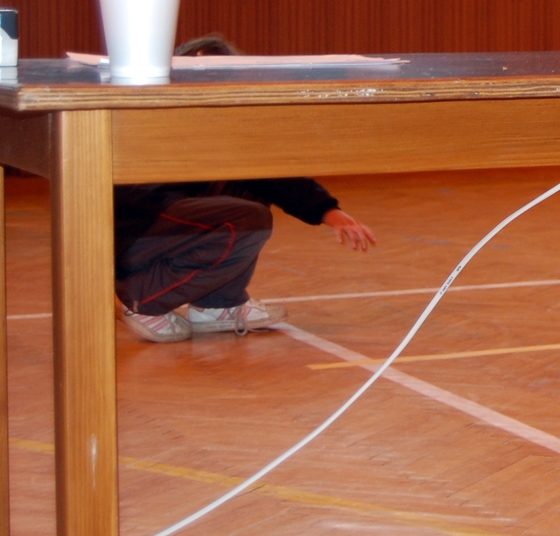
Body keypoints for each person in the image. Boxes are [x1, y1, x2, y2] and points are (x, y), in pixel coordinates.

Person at [115, 35, 375, 343]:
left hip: (165, 223)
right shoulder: (164, 118)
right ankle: (144, 300)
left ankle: (217, 305)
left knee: (250, 187)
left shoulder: (226, 125)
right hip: (137, 231)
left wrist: (329, 211)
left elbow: (273, 173)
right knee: (246, 219)